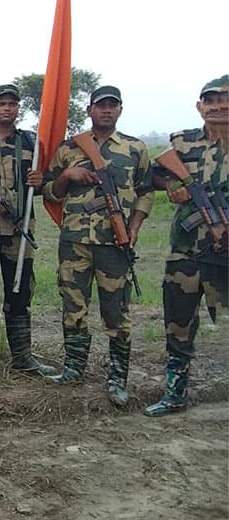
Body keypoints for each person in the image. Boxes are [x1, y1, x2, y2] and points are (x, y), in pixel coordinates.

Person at [42, 85, 153, 406]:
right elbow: (50, 192)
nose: (106, 111)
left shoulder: (135, 149)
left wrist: (133, 226)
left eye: (112, 106)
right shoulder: (69, 148)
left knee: (116, 311)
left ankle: (117, 378)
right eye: (100, 106)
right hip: (75, 241)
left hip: (115, 244)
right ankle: (74, 368)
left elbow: (146, 190)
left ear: (120, 110)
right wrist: (67, 174)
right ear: (89, 110)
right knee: (72, 306)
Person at [144, 75, 228, 416]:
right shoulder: (182, 143)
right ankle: (175, 392)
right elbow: (152, 175)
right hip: (186, 251)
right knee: (178, 323)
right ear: (200, 107)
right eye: (211, 100)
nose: (219, 105)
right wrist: (172, 187)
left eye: (225, 99)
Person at [0, 85, 57, 376]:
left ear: (19, 108)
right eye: (1, 103)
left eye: (12, 103)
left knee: (19, 294)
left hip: (19, 233)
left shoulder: (32, 143)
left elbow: (49, 186)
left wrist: (40, 181)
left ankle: (22, 358)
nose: (6, 108)